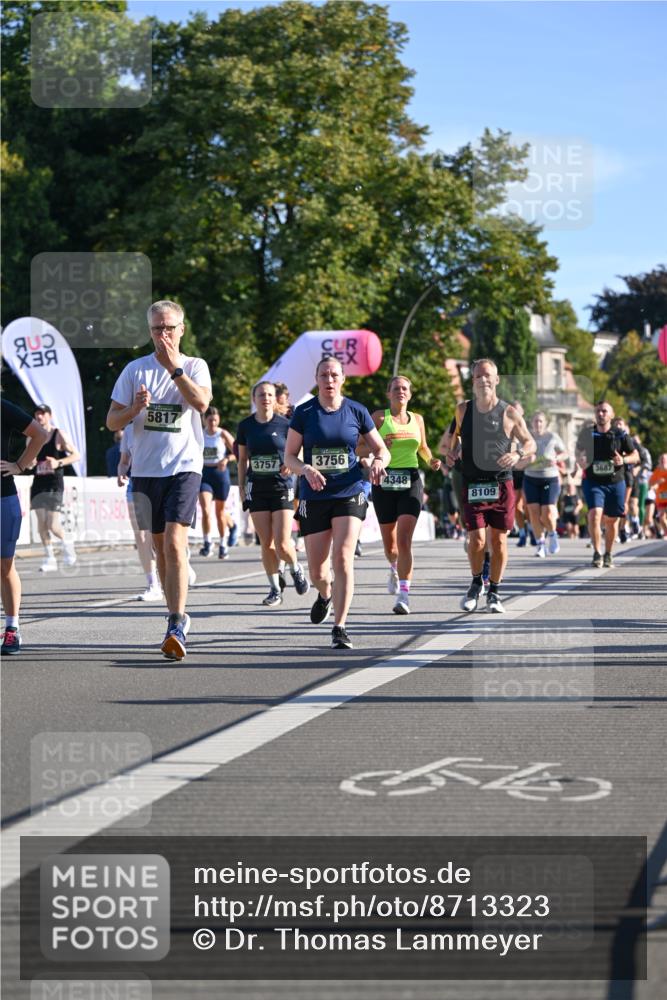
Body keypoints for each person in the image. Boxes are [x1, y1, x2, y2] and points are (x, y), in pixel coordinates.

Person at [106, 300, 212, 659]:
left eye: (169, 328)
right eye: (157, 329)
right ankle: (175, 613)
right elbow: (111, 422)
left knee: (174, 543)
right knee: (159, 548)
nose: (163, 334)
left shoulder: (195, 366)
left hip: (184, 466)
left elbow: (201, 404)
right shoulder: (135, 370)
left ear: (182, 329)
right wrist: (135, 410)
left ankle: (175, 623)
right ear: (149, 331)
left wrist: (175, 370)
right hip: (146, 471)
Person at [284, 356, 390, 649]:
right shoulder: (305, 413)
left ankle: (340, 626)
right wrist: (305, 468)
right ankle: (325, 593)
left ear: (343, 379)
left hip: (350, 489)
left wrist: (379, 461)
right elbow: (289, 457)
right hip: (314, 494)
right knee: (318, 571)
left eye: (334, 375)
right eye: (323, 375)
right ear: (316, 380)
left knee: (343, 557)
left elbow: (381, 448)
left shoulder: (356, 411)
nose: (329, 380)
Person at [446, 358, 536, 614]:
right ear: (472, 381)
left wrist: (518, 454)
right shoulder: (462, 410)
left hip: (501, 484)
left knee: (498, 543)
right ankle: (476, 583)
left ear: (496, 380)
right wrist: (451, 454)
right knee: (476, 541)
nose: (483, 380)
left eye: (488, 376)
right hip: (473, 483)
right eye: (478, 376)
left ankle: (494, 591)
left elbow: (530, 443)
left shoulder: (509, 412)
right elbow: (451, 443)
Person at [366, 375, 441, 614]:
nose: (400, 391)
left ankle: (404, 595)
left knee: (404, 539)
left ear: (410, 394)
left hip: (410, 480)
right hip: (384, 480)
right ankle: (393, 566)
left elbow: (423, 447)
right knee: (390, 545)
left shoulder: (417, 419)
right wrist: (378, 449)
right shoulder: (379, 417)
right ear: (388, 393)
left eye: (405, 388)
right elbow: (358, 446)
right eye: (396, 388)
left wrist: (431, 461)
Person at [237, 381, 309, 606]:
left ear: (274, 398)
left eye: (269, 394)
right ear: (254, 398)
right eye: (261, 394)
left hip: (281, 485)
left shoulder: (286, 424)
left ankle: (296, 568)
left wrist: (292, 464)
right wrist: (241, 486)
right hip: (257, 487)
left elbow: (300, 450)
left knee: (282, 543)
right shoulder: (245, 426)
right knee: (266, 544)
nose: (265, 398)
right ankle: (275, 589)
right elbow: (241, 460)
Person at [0, 399, 49, 654]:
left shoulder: (2, 406)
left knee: (5, 566)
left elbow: (40, 434)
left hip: (2, 497)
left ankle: (12, 629)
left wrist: (19, 465)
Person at [576, 401, 638, 568]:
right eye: (598, 411)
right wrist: (580, 459)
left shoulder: (620, 435)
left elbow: (635, 455)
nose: (601, 414)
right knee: (595, 514)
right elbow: (578, 452)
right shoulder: (587, 434)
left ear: (611, 414)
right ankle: (597, 553)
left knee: (611, 520)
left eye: (604, 411)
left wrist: (623, 460)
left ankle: (608, 553)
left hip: (615, 482)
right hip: (593, 481)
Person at [27, 404, 80, 572]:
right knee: (41, 525)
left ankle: (67, 544)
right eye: (37, 414)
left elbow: (76, 455)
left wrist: (59, 462)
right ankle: (50, 558)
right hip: (38, 483)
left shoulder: (58, 435)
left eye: (43, 413)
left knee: (52, 524)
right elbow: (28, 464)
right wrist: (30, 463)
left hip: (54, 484)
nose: (40, 416)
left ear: (49, 415)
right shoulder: (31, 437)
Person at [117, 423, 163, 602]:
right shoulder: (128, 430)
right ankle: (153, 585)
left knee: (161, 537)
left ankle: (178, 562)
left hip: (161, 482)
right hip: (135, 484)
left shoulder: (161, 422)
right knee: (142, 536)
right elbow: (124, 462)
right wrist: (121, 473)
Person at [521, 411, 568, 558]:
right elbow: (516, 463)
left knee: (547, 512)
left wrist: (556, 457)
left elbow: (565, 453)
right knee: (534, 513)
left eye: (541, 421)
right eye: (535, 421)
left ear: (546, 423)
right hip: (530, 478)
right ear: (531, 423)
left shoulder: (552, 437)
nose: (538, 424)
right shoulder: (526, 439)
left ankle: (553, 535)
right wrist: (527, 461)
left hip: (549, 478)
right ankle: (540, 544)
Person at [199, 406, 237, 559]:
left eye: (215, 420)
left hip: (220, 474)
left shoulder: (222, 434)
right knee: (206, 509)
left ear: (219, 420)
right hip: (204, 474)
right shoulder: (200, 434)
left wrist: (227, 459)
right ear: (204, 420)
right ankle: (207, 543)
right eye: (209, 420)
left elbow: (238, 452)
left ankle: (223, 544)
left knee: (219, 512)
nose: (212, 423)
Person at [649, 454, 667, 537]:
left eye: (665, 459)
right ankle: (666, 533)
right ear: (660, 461)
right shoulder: (657, 471)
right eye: (662, 459)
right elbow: (650, 483)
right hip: (661, 497)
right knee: (661, 517)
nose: (663, 460)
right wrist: (657, 482)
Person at [560, 474, 583, 539]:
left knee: (575, 529)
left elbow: (580, 504)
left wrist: (576, 510)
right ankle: (571, 538)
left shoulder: (576, 496)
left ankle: (576, 536)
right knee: (569, 527)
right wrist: (561, 513)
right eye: (569, 487)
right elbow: (562, 506)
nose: (570, 488)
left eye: (571, 487)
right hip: (566, 514)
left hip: (574, 514)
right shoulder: (564, 497)